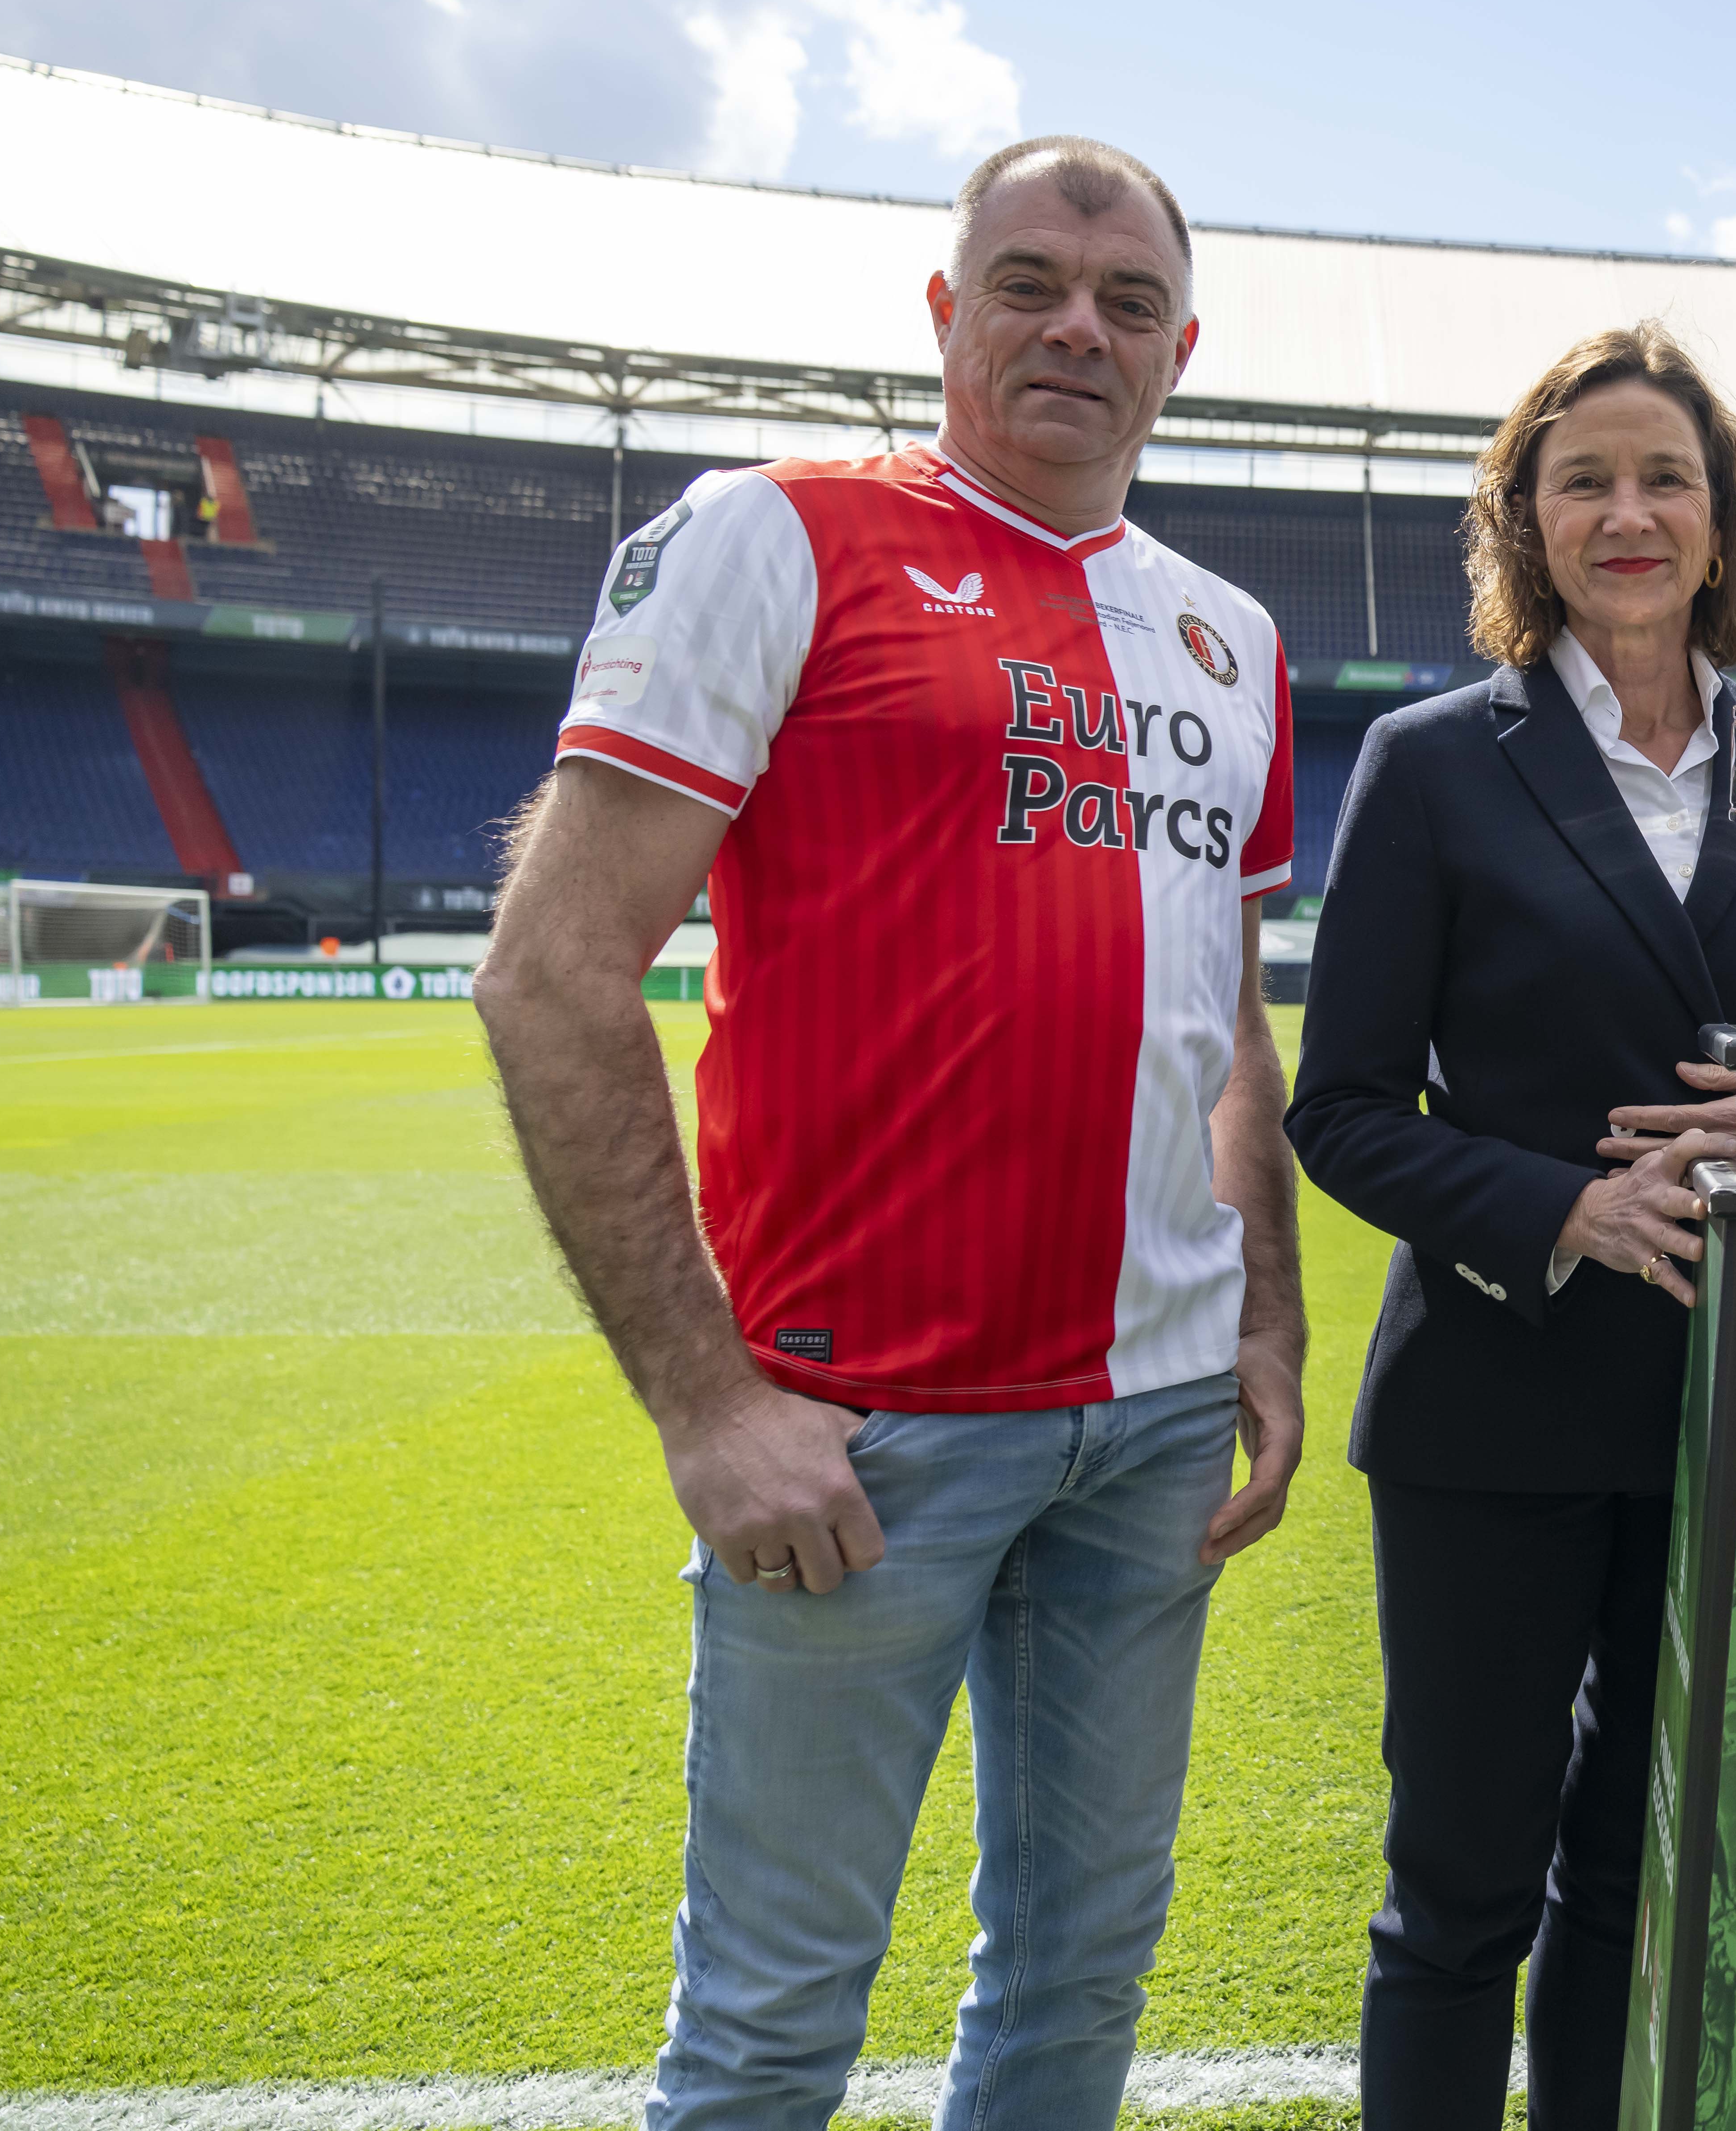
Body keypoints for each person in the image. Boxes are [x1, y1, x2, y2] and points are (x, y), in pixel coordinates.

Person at [479, 135, 1308, 2131]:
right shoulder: (778, 535)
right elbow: (550, 972)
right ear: (947, 312)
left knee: (1080, 1977)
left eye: (1126, 303)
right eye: (1030, 284)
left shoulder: (1234, 639)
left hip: (1152, 1428)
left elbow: (1227, 1035)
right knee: (772, 2025)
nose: (1078, 329)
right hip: (860, 1435)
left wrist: (1267, 1322)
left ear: (1180, 351)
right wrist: (707, 1402)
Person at [1286, 322, 1736, 2131]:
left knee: (1638, 1876)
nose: (1629, 512)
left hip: (1731, 1412)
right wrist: (1567, 1206)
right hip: (1493, 1401)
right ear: (1525, 521)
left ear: (1721, 522)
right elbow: (1342, 1105)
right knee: (1460, 1888)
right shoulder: (1430, 761)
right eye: (1585, 480)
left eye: (1666, 479)